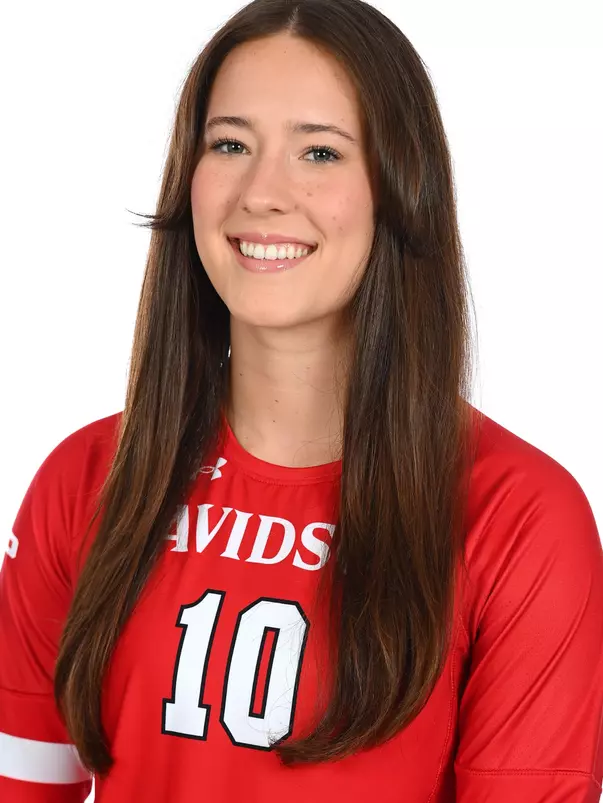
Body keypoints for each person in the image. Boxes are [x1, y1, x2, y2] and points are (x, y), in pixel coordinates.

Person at [1, 0, 602, 800]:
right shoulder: (87, 480)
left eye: (319, 152)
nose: (262, 193)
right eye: (230, 144)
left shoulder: (519, 517)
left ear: (398, 189)